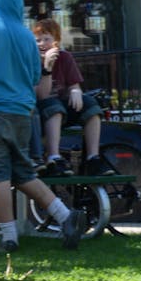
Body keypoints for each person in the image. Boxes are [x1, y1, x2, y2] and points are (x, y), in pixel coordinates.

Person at [0, 0, 86, 253]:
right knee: (23, 172)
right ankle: (66, 217)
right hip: (22, 112)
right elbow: (35, 76)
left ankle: (9, 237)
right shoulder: (24, 35)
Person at [32, 17, 103, 174]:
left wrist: (76, 91)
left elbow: (74, 85)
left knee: (90, 104)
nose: (42, 44)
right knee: (54, 106)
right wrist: (47, 68)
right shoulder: (31, 60)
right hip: (40, 112)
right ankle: (53, 157)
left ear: (56, 41)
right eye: (38, 40)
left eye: (46, 39)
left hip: (61, 109)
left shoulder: (65, 57)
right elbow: (42, 95)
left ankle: (93, 158)